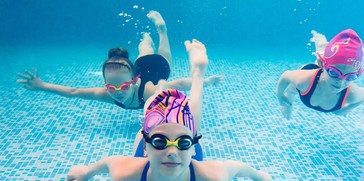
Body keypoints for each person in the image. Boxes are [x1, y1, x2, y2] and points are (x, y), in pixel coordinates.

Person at [66, 39, 274, 181]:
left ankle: (197, 75)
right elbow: (107, 163)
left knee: (183, 121)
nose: (172, 152)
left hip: (179, 144)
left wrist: (258, 176)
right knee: (163, 113)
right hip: (158, 141)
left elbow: (238, 168)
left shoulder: (210, 178)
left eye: (183, 144)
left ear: (193, 149)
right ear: (146, 149)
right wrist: (86, 172)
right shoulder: (127, 176)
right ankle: (184, 83)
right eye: (159, 143)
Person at [16, 11, 224, 110]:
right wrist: (41, 85)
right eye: (111, 87)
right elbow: (74, 92)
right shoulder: (109, 94)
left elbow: (179, 85)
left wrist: (203, 82)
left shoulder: (151, 91)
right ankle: (144, 39)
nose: (117, 92)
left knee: (163, 53)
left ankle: (162, 30)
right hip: (142, 66)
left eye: (123, 86)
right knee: (143, 52)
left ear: (133, 80)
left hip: (158, 70)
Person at [276, 29, 364, 120]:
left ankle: (325, 56)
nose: (340, 82)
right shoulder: (304, 80)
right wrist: (280, 97)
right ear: (322, 65)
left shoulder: (352, 94)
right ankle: (322, 47)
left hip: (325, 69)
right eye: (334, 73)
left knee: (328, 62)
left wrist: (347, 109)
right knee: (292, 90)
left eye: (351, 76)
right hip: (313, 76)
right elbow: (286, 75)